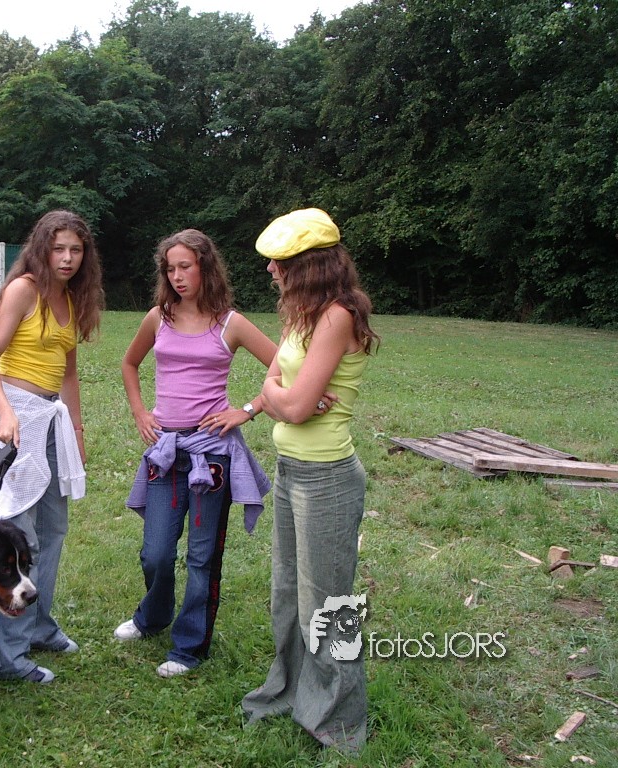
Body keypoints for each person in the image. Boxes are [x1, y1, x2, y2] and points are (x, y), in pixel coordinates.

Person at [241, 208, 380, 752]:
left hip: (328, 482)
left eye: (279, 262)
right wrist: (287, 400)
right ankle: (291, 691)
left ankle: (339, 724)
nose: (270, 270)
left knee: (328, 607)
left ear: (308, 266)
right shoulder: (300, 314)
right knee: (287, 597)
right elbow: (274, 387)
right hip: (291, 471)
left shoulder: (338, 316)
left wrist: (288, 401)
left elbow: (294, 405)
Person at [114, 228, 277, 678]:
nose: (177, 276)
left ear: (205, 267)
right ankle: (152, 617)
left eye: (185, 266)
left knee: (202, 558)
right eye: (170, 268)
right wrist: (140, 412)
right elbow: (129, 363)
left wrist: (247, 410)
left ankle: (189, 647)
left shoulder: (231, 323)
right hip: (166, 452)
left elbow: (284, 366)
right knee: (156, 552)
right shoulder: (158, 318)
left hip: (212, 457)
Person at [0, 209, 104, 684]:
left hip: (51, 422)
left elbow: (68, 375)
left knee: (52, 531)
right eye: (59, 248)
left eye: (76, 250)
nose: (67, 258)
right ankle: (1, 655)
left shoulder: (71, 298)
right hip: (15, 421)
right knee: (16, 537)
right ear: (42, 249)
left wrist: (78, 433)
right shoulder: (23, 289)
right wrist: (5, 413)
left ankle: (39, 627)